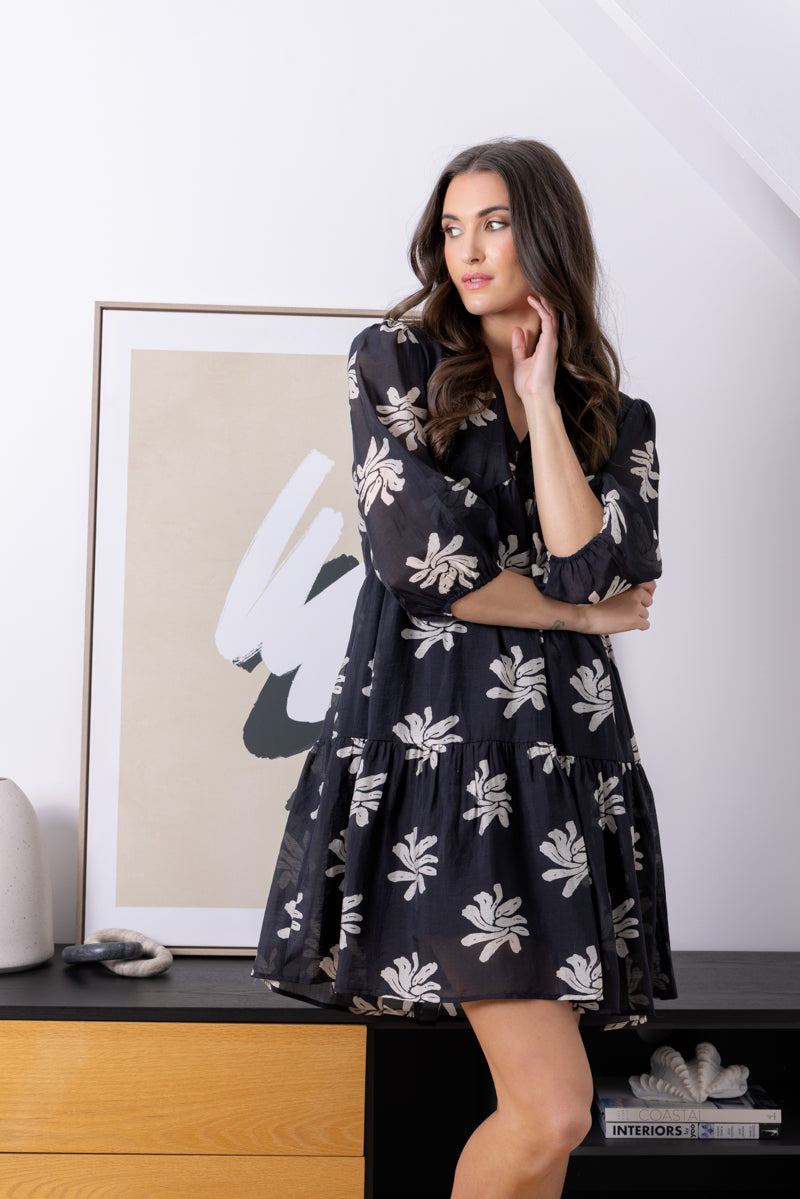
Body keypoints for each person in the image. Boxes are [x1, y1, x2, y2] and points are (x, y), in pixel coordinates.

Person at [253, 138, 676, 1199]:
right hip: (440, 759)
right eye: (452, 228)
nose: (468, 250)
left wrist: (541, 401)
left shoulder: (613, 417)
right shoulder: (394, 361)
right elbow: (421, 564)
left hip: (563, 768)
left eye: (492, 223)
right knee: (553, 1107)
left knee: (547, 1126)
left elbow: (596, 564)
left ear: (545, 233)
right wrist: (577, 617)